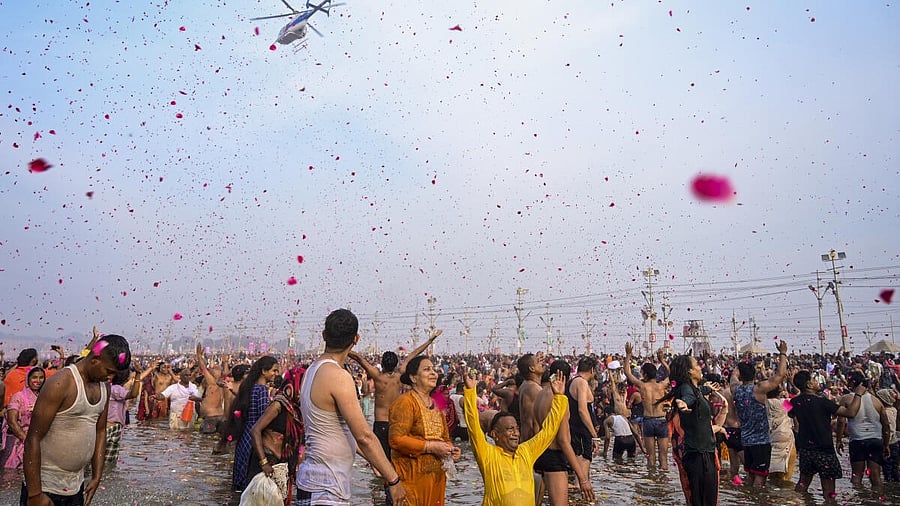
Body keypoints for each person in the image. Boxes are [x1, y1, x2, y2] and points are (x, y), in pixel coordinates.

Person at [294, 309, 407, 506]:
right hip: (326, 487)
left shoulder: (312, 369)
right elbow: (364, 436)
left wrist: (376, 461)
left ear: (324, 335)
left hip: (313, 483)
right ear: (356, 339)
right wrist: (393, 480)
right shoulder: (339, 376)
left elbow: (340, 433)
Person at [23, 333, 131, 506]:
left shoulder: (105, 388)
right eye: (109, 371)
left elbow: (100, 431)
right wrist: (35, 494)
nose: (110, 377)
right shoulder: (61, 383)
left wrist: (97, 476)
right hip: (45, 485)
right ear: (95, 359)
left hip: (76, 485)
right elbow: (32, 438)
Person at [347, 329, 439, 505]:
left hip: (380, 424)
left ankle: (386, 492)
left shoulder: (377, 376)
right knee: (396, 464)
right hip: (397, 425)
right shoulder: (399, 375)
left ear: (382, 363)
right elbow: (413, 354)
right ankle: (396, 494)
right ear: (396, 363)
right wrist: (431, 339)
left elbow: (359, 358)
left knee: (381, 464)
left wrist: (343, 346)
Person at [463, 364, 567, 505]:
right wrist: (470, 392)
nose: (515, 433)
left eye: (516, 428)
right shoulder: (488, 454)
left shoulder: (526, 452)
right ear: (495, 435)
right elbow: (473, 427)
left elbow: (548, 432)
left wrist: (559, 397)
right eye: (509, 429)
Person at [389, 355, 460, 506]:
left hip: (436, 483)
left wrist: (450, 449)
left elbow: (445, 437)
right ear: (413, 378)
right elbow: (396, 439)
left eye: (434, 369)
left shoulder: (437, 404)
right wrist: (430, 446)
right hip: (410, 483)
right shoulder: (405, 402)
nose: (434, 373)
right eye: (427, 369)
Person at [790, 369, 865, 500]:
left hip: (806, 450)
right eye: (814, 380)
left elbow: (788, 411)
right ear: (808, 385)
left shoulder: (794, 402)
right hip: (824, 450)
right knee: (829, 491)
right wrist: (858, 395)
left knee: (802, 485)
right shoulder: (822, 402)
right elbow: (851, 412)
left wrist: (797, 392)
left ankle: (799, 502)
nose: (816, 382)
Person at [659, 354, 719, 506]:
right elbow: (687, 398)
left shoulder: (695, 388)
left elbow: (697, 392)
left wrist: (707, 388)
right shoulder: (687, 390)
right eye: (697, 365)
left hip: (703, 452)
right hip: (699, 455)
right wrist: (683, 403)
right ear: (690, 372)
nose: (700, 368)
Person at [533, 360, 594, 506]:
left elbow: (535, 428)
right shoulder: (560, 400)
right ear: (564, 378)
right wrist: (583, 478)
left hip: (540, 453)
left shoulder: (540, 395)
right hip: (554, 458)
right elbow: (563, 441)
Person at [732, 341, 788, 488]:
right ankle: (757, 499)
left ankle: (750, 499)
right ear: (755, 374)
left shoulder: (735, 390)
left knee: (750, 475)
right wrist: (783, 353)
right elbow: (780, 375)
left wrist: (739, 366)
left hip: (746, 440)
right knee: (760, 478)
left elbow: (733, 377)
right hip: (761, 441)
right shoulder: (760, 389)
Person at [249, 365, 306, 504]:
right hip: (267, 462)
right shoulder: (278, 405)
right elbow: (255, 430)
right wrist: (264, 463)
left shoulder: (297, 409)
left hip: (282, 465)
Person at [835, 369, 892, 492]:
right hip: (876, 440)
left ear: (851, 384)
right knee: (875, 475)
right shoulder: (877, 401)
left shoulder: (846, 399)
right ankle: (877, 499)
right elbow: (886, 426)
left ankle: (859, 498)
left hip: (857, 440)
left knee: (856, 476)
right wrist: (886, 445)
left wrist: (838, 440)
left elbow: (841, 422)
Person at [232, 355, 279, 491]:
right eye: (274, 370)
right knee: (252, 481)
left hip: (244, 435)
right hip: (254, 437)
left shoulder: (249, 387)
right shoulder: (262, 390)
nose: (276, 374)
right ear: (264, 371)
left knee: (241, 476)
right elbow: (262, 417)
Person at [624, 344, 670, 469]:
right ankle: (662, 484)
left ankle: (651, 482)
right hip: (661, 420)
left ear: (644, 375)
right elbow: (671, 374)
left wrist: (628, 354)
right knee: (664, 457)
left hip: (648, 421)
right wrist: (662, 360)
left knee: (651, 457)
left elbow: (627, 373)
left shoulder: (642, 386)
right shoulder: (661, 385)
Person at [105, 363, 151, 468]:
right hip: (112, 427)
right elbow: (133, 394)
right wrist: (138, 374)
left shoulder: (110, 387)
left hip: (108, 426)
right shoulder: (116, 389)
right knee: (108, 461)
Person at [566, 356, 600, 487]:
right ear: (592, 370)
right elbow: (582, 410)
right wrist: (594, 436)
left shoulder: (572, 382)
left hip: (576, 431)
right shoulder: (581, 383)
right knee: (582, 476)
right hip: (581, 432)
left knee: (581, 475)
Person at [2, 367, 45, 469]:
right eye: (34, 377)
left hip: (40, 441)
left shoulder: (44, 397)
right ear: (28, 379)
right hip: (21, 441)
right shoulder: (19, 396)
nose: (38, 381)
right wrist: (26, 440)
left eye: (41, 377)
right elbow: (12, 421)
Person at [765, 386, 795, 481]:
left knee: (769, 474)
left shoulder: (762, 404)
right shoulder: (784, 403)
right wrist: (793, 385)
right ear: (778, 392)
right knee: (786, 477)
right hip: (785, 438)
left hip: (769, 439)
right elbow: (800, 399)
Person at [196, 344, 226, 435]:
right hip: (219, 417)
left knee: (205, 443)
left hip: (211, 418)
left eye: (216, 368)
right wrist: (225, 362)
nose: (212, 369)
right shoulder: (223, 383)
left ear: (219, 373)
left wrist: (199, 356)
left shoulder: (213, 382)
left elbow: (203, 368)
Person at [515, 352, 545, 443]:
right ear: (532, 368)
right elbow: (533, 422)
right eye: (538, 362)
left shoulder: (526, 385)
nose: (541, 364)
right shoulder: (533, 389)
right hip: (532, 442)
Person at [875, 388, 899, 482]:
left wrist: (886, 444)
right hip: (893, 443)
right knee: (894, 468)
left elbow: (890, 430)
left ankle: (889, 487)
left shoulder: (887, 413)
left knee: (888, 470)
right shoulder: (893, 409)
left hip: (890, 444)